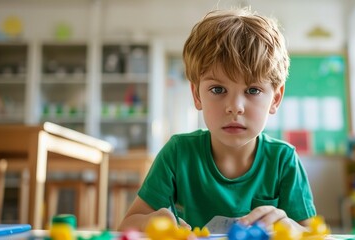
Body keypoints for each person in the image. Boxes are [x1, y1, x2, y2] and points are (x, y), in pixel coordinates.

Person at [118, 7, 317, 232]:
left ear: (275, 98)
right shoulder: (178, 153)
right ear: (196, 95)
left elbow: (312, 234)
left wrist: (291, 227)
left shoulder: (284, 160)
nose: (235, 107)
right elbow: (127, 225)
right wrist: (149, 222)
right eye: (218, 89)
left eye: (252, 90)